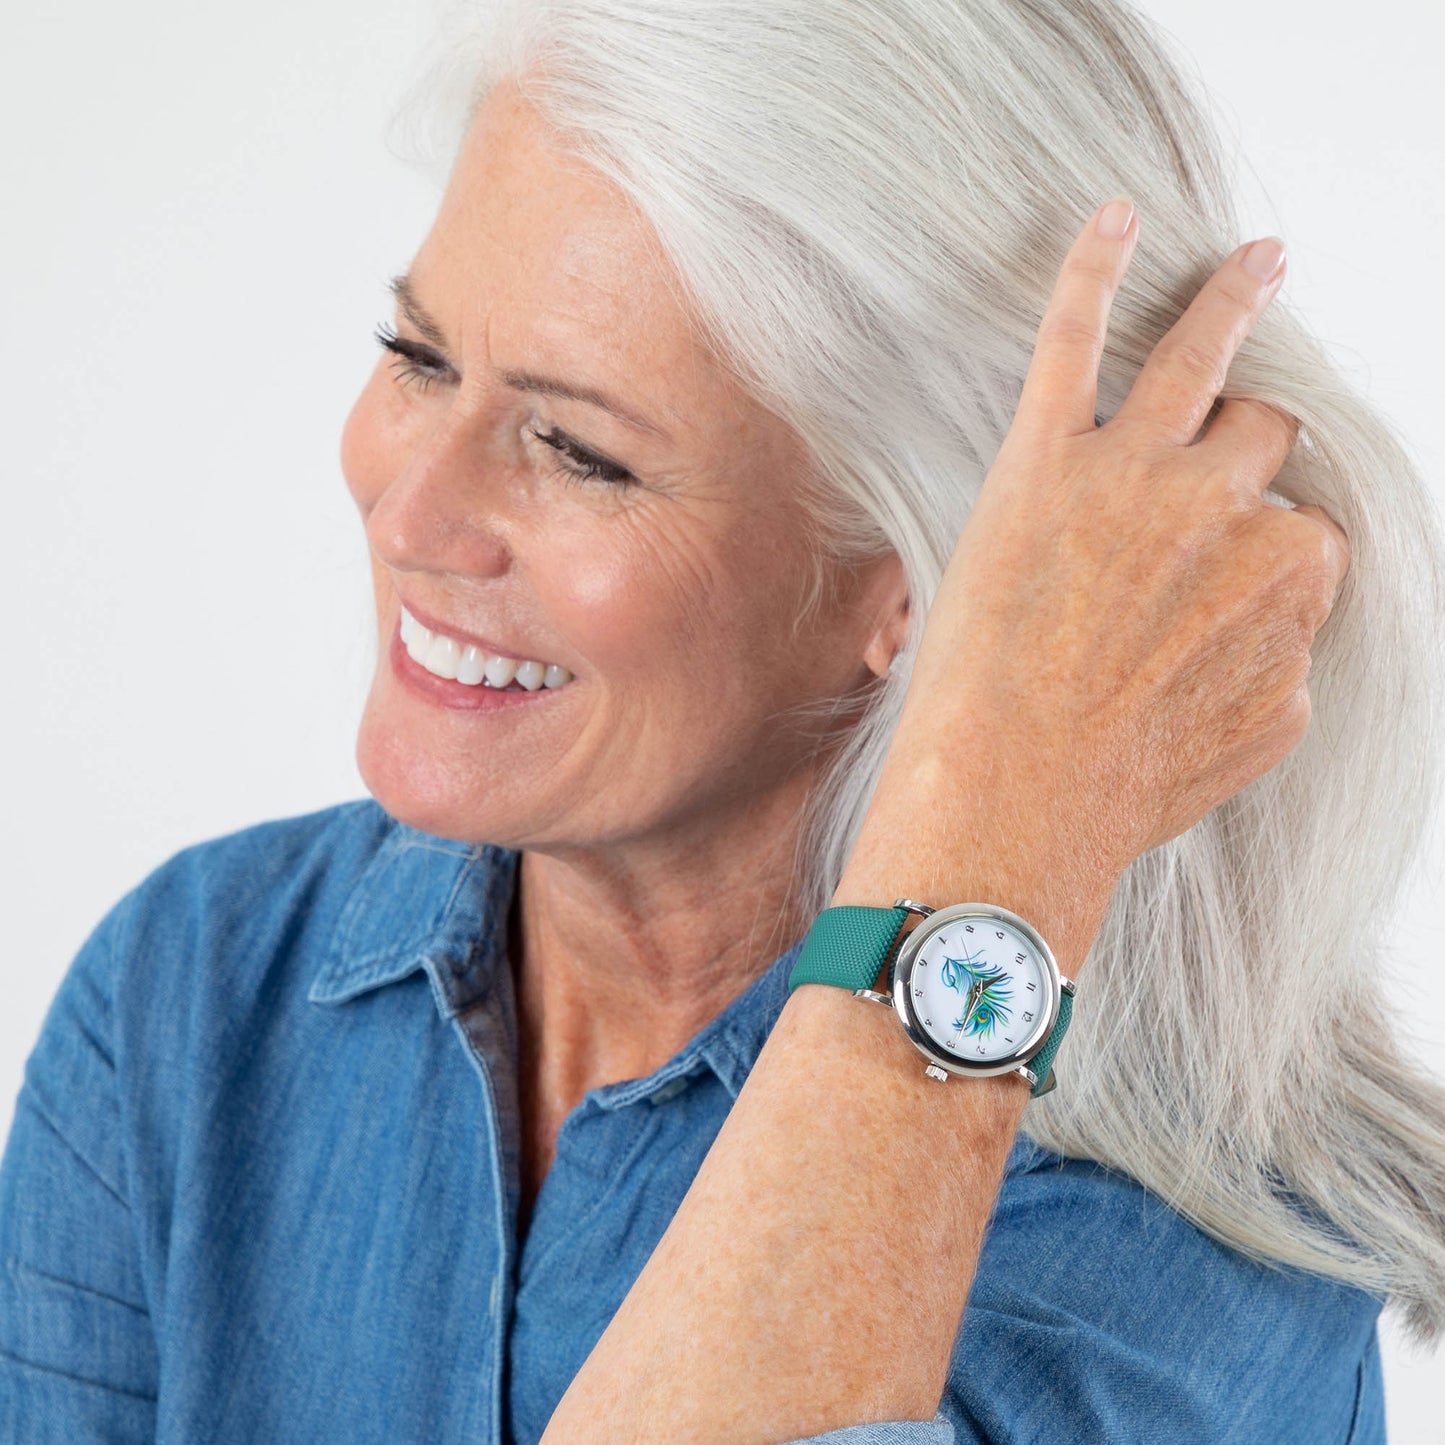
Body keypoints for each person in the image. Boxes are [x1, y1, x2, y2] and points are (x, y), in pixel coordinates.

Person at [3, 0, 1443, 1441]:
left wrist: (1004, 829)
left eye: (579, 450)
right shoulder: (197, 988)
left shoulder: (1182, 1246)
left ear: (925, 579)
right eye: (418, 353)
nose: (410, 505)